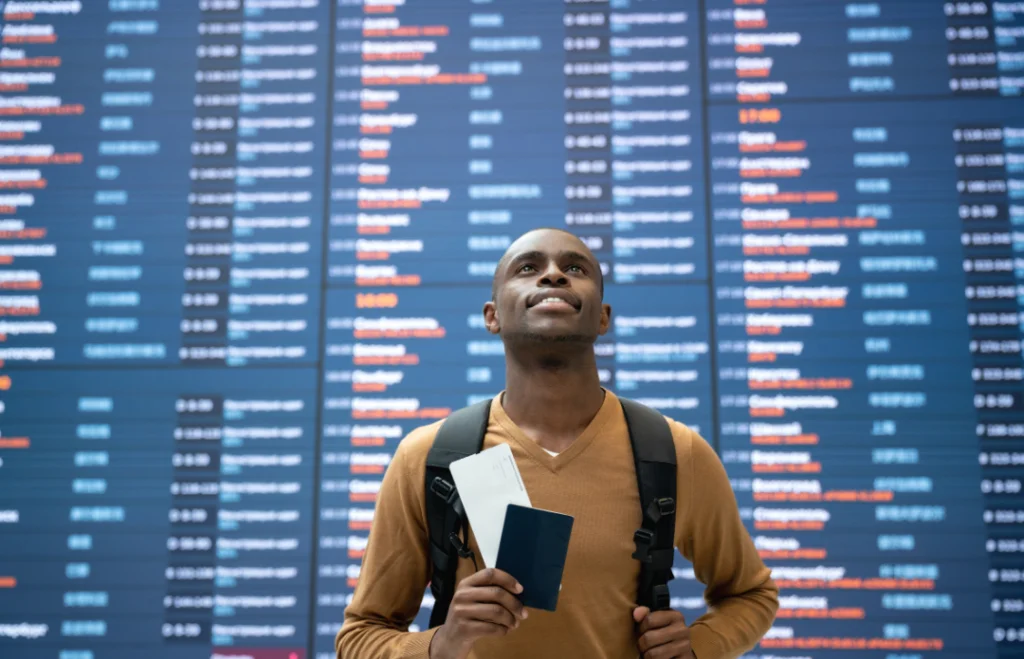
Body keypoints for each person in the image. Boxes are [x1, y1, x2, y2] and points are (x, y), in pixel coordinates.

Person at [336, 228, 779, 659]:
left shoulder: (673, 452)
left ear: (603, 317)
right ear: (492, 316)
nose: (553, 276)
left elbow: (752, 594)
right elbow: (360, 638)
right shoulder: (429, 458)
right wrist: (441, 645)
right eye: (527, 268)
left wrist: (698, 647)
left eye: (574, 267)